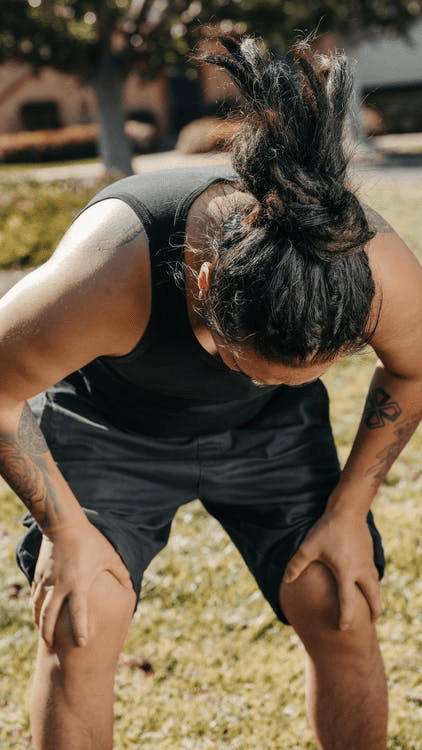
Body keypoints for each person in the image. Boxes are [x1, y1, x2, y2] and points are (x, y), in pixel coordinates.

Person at [0, 34, 421, 750]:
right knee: (84, 618)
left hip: (272, 435)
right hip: (111, 427)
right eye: (253, 364)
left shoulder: (370, 267)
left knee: (338, 595)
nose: (261, 375)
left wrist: (349, 512)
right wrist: (68, 534)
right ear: (203, 286)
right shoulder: (107, 271)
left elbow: (413, 370)